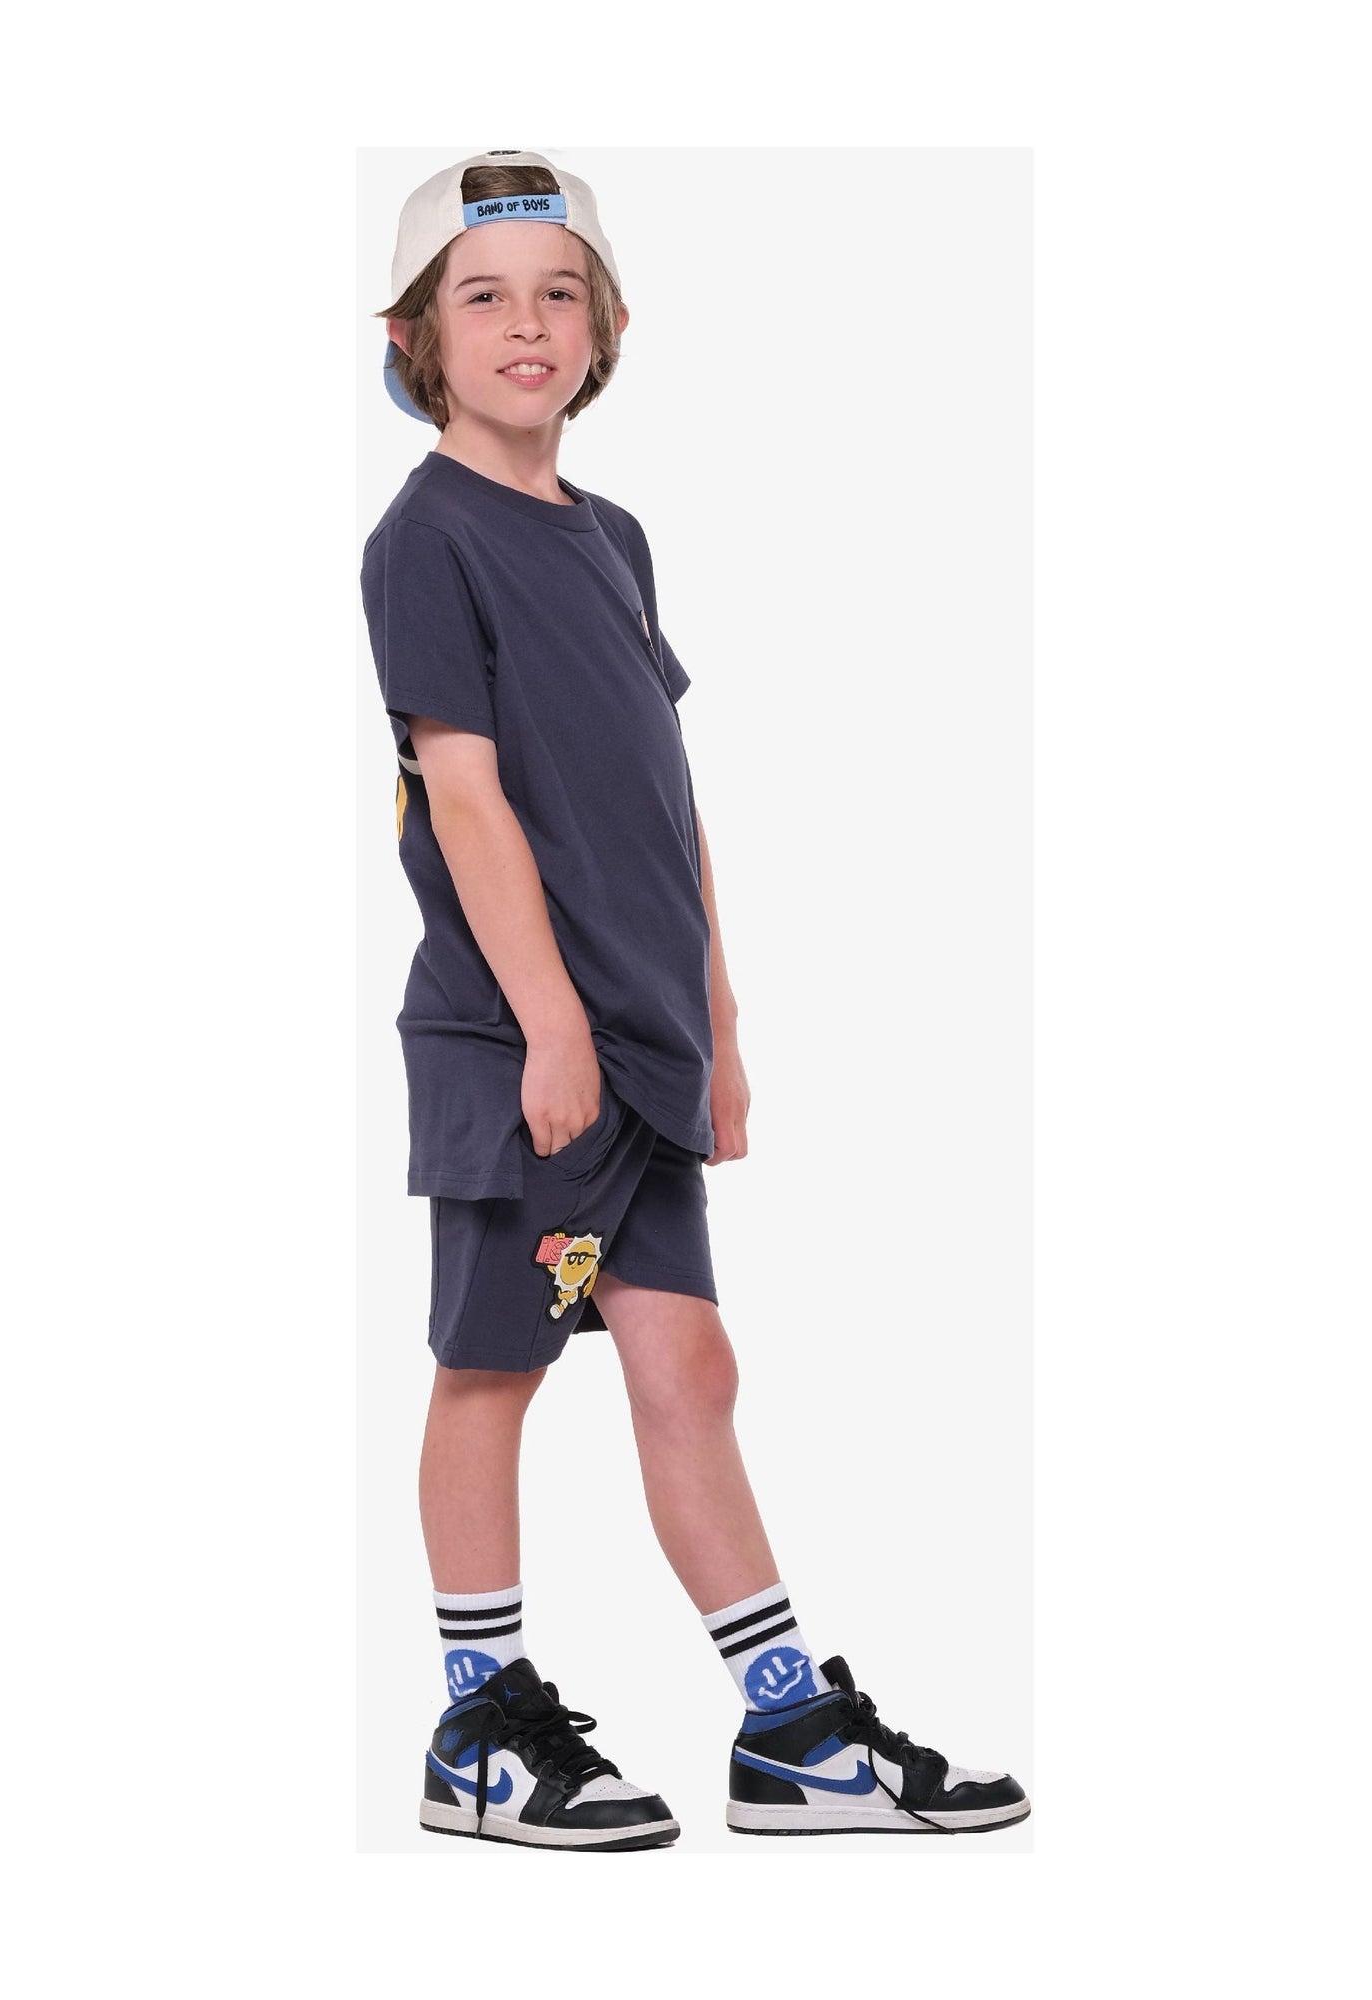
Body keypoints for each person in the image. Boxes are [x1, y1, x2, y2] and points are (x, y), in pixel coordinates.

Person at [361, 149, 1028, 1849]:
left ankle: (790, 1731)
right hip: (526, 1050)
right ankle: (475, 1729)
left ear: (605, 327)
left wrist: (717, 1025)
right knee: (494, 1367)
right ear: (418, 337)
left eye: (558, 292)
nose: (526, 324)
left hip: (647, 1049)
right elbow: (464, 795)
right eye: (483, 296)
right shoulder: (426, 539)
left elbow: (668, 797)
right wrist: (552, 1023)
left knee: (690, 1366)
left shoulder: (615, 539)